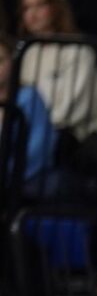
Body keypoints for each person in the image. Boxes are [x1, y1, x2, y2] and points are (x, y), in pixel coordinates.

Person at [16, 0, 97, 142]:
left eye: (40, 5)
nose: (32, 14)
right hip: (30, 131)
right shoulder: (27, 52)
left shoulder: (79, 51)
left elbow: (75, 109)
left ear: (55, 8)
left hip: (72, 136)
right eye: (26, 8)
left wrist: (36, 126)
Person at [0, 37, 57, 194]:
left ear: (12, 63)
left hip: (22, 181)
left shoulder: (29, 97)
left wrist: (6, 172)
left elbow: (40, 148)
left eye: (0, 61)